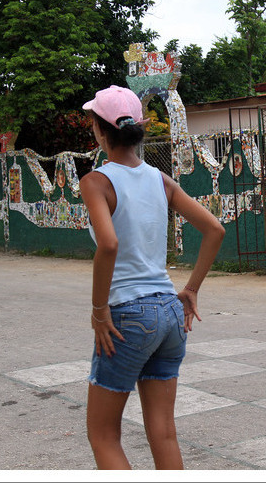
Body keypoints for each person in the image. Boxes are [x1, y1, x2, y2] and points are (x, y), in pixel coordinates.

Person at [79, 85, 225, 470]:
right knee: (163, 432)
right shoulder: (160, 179)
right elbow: (214, 230)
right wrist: (190, 288)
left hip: (127, 315)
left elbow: (107, 245)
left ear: (99, 130)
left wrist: (98, 311)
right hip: (169, 313)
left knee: (103, 434)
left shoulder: (96, 182)